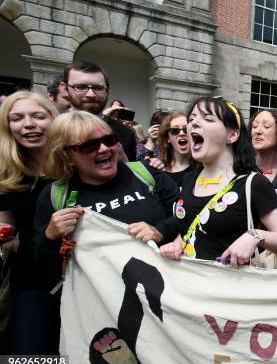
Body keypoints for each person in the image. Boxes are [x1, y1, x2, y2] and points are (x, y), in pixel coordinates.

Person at [34, 111, 180, 298]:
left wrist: (160, 231)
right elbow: (41, 265)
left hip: (162, 293)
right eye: (89, 146)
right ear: (66, 156)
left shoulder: (146, 173)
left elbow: (187, 216)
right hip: (97, 303)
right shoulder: (55, 196)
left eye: (109, 140)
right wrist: (50, 236)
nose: (103, 149)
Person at [159, 96, 277, 267]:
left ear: (232, 135)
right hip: (189, 287)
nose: (193, 123)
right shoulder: (189, 179)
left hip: (230, 289)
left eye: (207, 118)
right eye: (192, 119)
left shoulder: (253, 183)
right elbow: (190, 229)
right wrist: (176, 245)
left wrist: (254, 236)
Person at [0, 91, 59, 364]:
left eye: (38, 116)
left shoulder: (76, 164)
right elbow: (6, 232)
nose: (28, 124)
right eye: (17, 118)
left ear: (53, 120)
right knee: (30, 362)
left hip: (83, 278)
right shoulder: (4, 174)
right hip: (31, 283)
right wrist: (7, 238)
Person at [60, 61, 137, 160]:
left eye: (98, 88)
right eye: (80, 87)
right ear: (65, 88)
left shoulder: (125, 133)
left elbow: (132, 172)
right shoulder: (51, 127)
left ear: (108, 91)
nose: (90, 94)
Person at [157, 111, 197, 187]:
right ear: (168, 138)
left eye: (186, 129)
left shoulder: (203, 168)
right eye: (174, 130)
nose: (181, 134)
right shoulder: (159, 170)